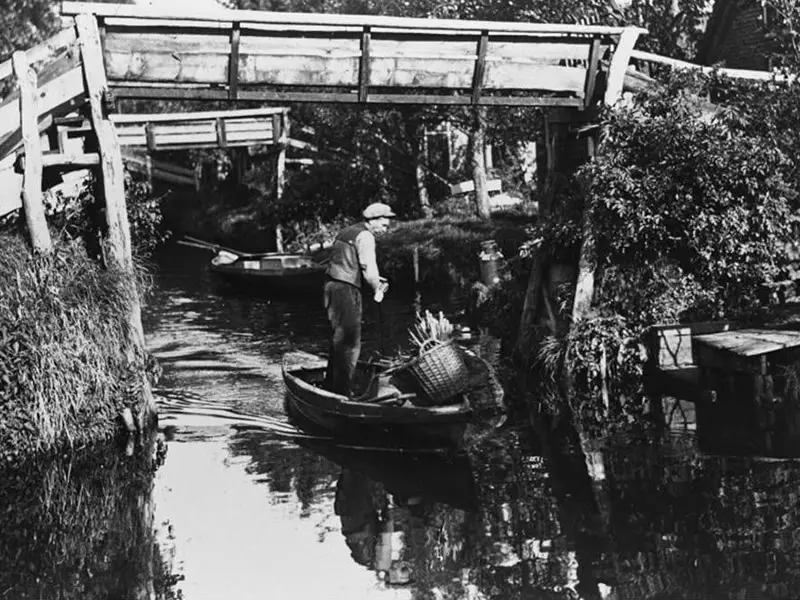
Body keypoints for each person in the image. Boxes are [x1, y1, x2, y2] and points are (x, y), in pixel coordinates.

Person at [324, 202, 395, 396]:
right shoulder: (366, 236)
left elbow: (347, 261)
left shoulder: (348, 231)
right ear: (374, 220)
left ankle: (331, 385)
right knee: (350, 342)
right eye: (384, 225)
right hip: (346, 289)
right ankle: (343, 393)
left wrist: (373, 278)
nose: (385, 229)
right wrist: (377, 286)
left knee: (339, 339)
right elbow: (367, 267)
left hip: (331, 286)